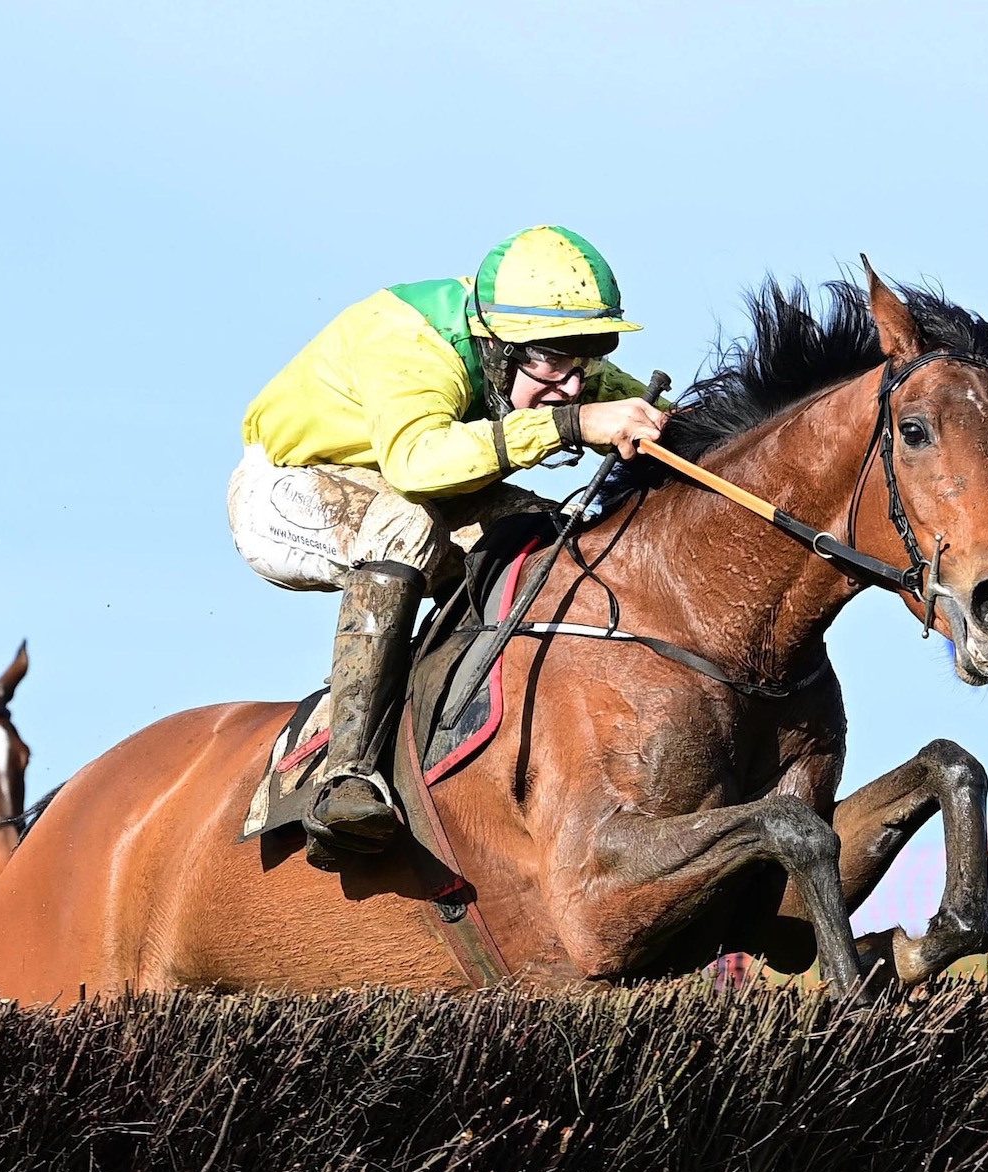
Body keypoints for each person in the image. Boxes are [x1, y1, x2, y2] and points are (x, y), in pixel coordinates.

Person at [230, 225, 668, 866]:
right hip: (286, 490)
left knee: (543, 524)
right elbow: (414, 463)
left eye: (584, 360)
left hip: (393, 486)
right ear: (496, 344)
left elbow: (639, 411)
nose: (571, 384)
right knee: (406, 523)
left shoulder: (543, 353)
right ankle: (346, 774)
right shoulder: (412, 344)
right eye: (551, 362)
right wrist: (569, 425)